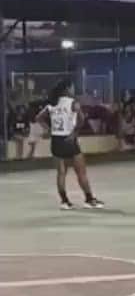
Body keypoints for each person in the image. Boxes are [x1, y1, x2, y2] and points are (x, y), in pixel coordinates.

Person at [33, 82, 105, 210]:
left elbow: (38, 117)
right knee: (81, 172)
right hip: (69, 139)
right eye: (72, 87)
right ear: (67, 89)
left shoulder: (52, 103)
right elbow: (82, 119)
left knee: (61, 173)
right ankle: (89, 199)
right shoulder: (72, 102)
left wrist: (49, 130)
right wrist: (75, 132)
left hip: (56, 140)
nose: (73, 89)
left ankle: (64, 201)